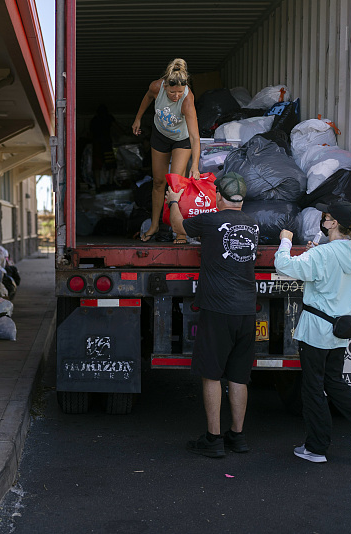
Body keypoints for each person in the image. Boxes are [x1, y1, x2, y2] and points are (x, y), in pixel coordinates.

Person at [274, 201, 351, 463]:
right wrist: (313, 255)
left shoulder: (323, 255)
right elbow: (326, 269)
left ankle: (316, 448)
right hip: (339, 329)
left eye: (325, 217)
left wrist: (285, 242)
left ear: (333, 223)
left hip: (316, 330)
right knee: (335, 384)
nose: (322, 221)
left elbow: (284, 266)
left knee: (313, 388)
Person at [166, 172, 259, 458]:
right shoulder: (253, 224)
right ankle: (238, 437)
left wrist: (173, 201)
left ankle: (213, 439)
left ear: (218, 196)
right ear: (242, 199)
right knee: (239, 377)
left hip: (218, 309)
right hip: (246, 310)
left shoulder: (210, 220)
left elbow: (180, 227)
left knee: (211, 374)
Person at [132, 58, 201, 243]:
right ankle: (154, 225)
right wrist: (138, 118)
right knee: (158, 182)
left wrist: (194, 165)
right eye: (172, 92)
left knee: (176, 185)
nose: (176, 96)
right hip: (160, 136)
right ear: (165, 87)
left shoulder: (187, 100)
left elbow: (195, 137)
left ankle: (179, 230)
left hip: (182, 139)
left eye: (179, 92)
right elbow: (147, 97)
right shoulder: (156, 87)